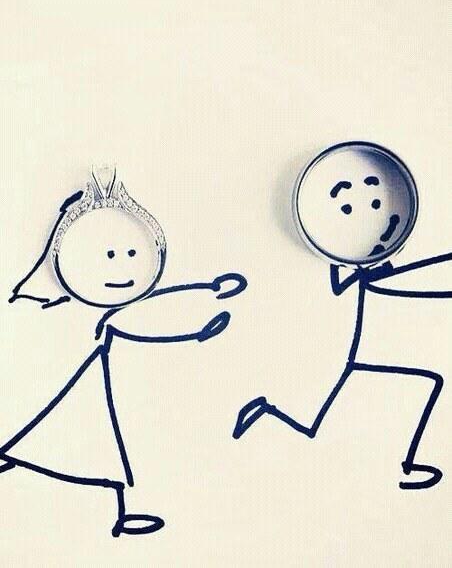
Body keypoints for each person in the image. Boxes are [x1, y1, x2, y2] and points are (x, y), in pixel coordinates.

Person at [2, 169, 247, 536]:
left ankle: (29, 460)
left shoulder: (127, 312)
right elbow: (148, 323)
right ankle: (125, 504)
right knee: (102, 441)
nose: (121, 266)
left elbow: (160, 311)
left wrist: (209, 292)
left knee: (99, 439)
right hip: (115, 389)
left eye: (131, 254)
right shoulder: (118, 318)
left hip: (129, 390)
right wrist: (199, 326)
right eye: (110, 255)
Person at [234, 166, 451, 490]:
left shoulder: (372, 262)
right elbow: (390, 284)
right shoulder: (353, 264)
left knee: (317, 428)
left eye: (376, 204)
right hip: (370, 351)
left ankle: (267, 411)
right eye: (349, 209)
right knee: (429, 382)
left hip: (373, 350)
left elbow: (410, 277)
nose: (378, 220)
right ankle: (267, 412)